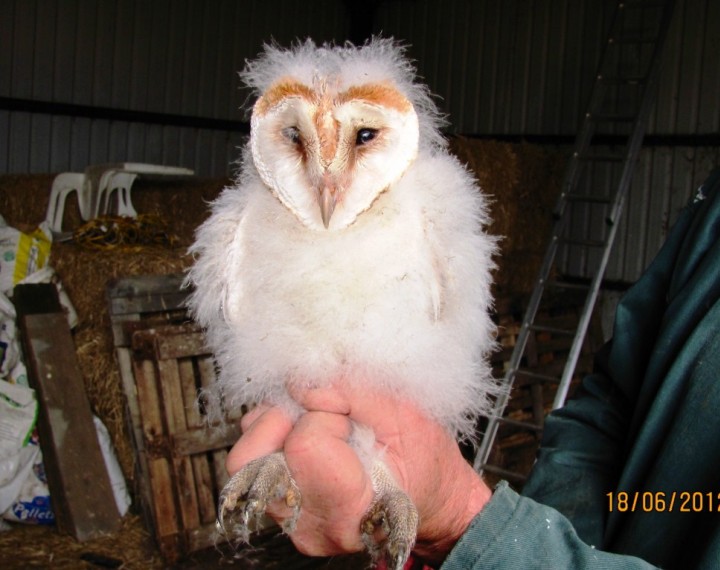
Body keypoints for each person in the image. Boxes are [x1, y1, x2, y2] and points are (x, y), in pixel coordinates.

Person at [226, 168, 720, 569]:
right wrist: (550, 529)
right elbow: (609, 405)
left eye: (363, 137)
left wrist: (472, 523)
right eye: (296, 139)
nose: (329, 171)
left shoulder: (425, 212)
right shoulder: (713, 208)